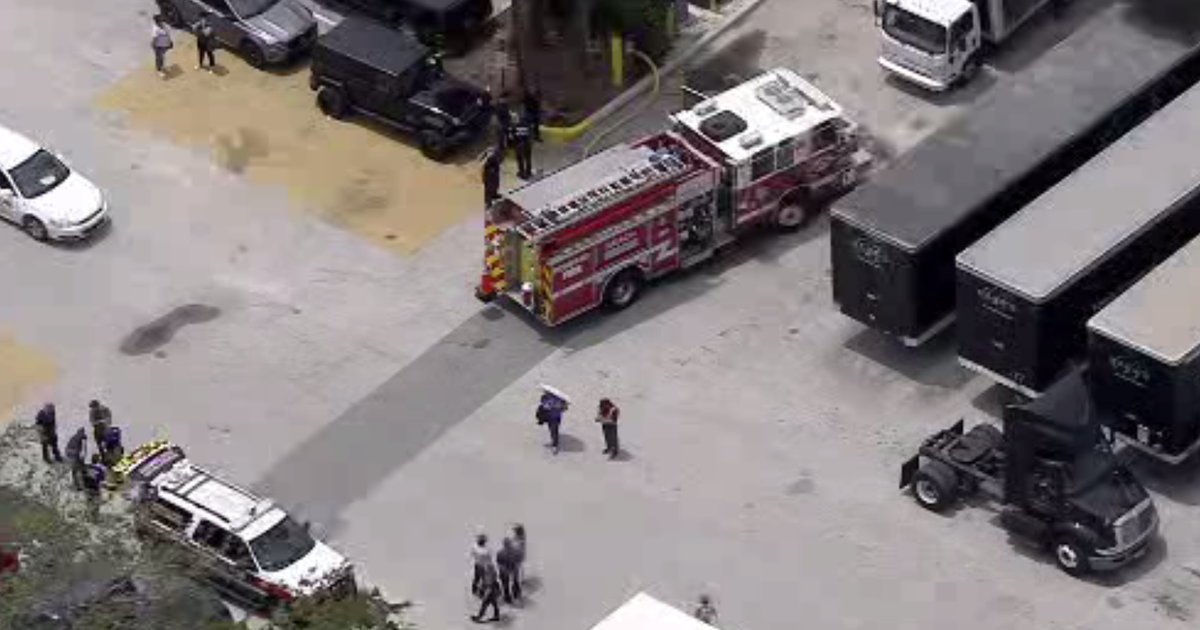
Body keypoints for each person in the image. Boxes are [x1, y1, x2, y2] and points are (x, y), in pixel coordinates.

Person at [496, 537, 521, 603]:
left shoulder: (500, 552)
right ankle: (514, 595)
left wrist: (503, 570)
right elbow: (518, 561)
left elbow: (499, 563)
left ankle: (509, 597)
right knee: (513, 582)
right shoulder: (515, 551)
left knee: (507, 584)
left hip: (507, 570)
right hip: (511, 570)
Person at [82, 455, 106, 521]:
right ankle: (95, 518)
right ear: (98, 460)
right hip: (95, 489)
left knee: (89, 503)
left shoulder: (87, 468)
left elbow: (83, 477)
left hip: (87, 488)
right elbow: (102, 479)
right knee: (96, 504)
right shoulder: (100, 470)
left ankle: (88, 517)